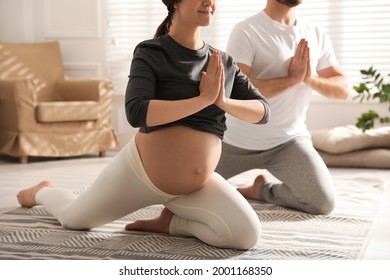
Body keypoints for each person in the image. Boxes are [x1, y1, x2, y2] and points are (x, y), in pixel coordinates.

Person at [16, 0, 270, 250]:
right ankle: (42, 192)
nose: (209, 2)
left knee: (245, 236)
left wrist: (222, 101)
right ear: (175, 3)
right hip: (139, 175)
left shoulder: (222, 62)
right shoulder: (152, 52)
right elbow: (136, 112)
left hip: (195, 186)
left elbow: (263, 112)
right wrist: (202, 100)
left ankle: (173, 223)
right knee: (74, 219)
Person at [215, 0, 349, 215]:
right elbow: (238, 90)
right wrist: (292, 79)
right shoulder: (247, 30)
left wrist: (310, 79)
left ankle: (262, 190)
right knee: (184, 192)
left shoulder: (315, 33)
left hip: (288, 142)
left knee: (322, 203)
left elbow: (342, 89)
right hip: (235, 142)